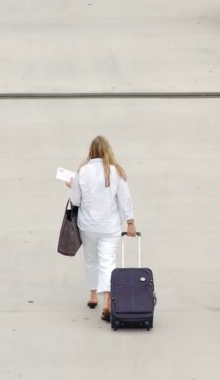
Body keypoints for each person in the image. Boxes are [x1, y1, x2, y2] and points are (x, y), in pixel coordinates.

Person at [68, 136, 137, 322]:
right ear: (108, 150)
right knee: (107, 262)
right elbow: (125, 199)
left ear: (91, 151)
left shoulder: (82, 171)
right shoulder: (116, 172)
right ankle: (107, 300)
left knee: (91, 260)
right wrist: (130, 222)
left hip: (87, 225)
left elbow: (75, 201)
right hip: (109, 226)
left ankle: (92, 296)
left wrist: (71, 185)